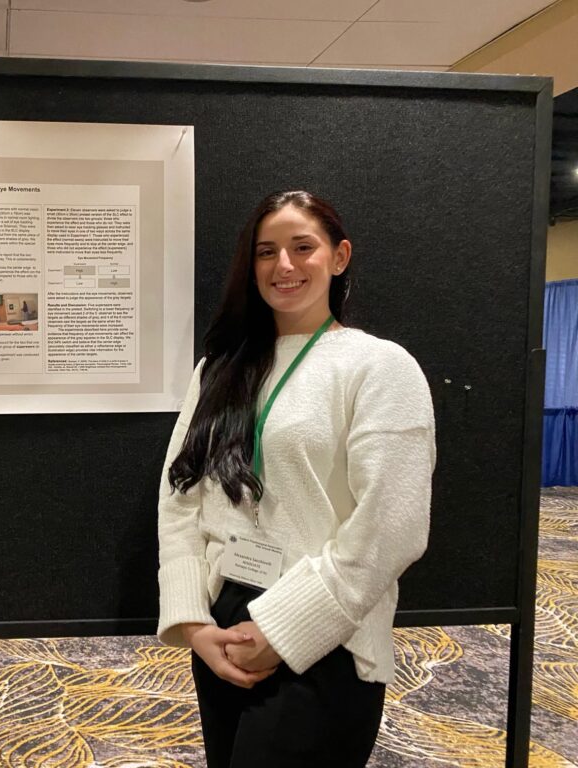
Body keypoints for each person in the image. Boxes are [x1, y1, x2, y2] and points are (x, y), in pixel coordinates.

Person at [157, 190, 435, 767]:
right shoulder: (220, 369)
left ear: (339, 257)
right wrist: (193, 624)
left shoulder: (379, 367)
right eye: (266, 252)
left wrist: (284, 630)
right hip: (224, 623)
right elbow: (181, 496)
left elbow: (393, 525)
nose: (283, 266)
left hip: (325, 632)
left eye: (302, 247)